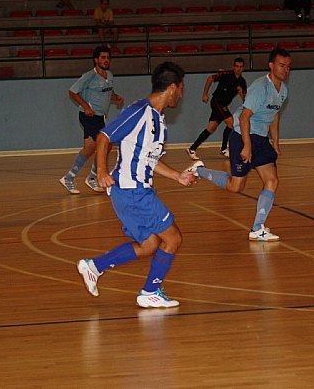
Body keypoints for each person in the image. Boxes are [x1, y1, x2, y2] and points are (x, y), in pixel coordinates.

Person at [76, 61, 199, 308]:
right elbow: (104, 136)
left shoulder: (159, 121)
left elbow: (150, 160)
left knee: (149, 244)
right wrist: (100, 170)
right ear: (173, 87)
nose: (182, 95)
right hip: (133, 191)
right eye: (181, 89)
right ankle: (149, 292)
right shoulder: (139, 111)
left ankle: (94, 267)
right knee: (173, 238)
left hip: (135, 191)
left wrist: (178, 176)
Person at [194, 48, 292, 242]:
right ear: (271, 65)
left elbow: (274, 116)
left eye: (288, 67)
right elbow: (245, 117)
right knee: (235, 186)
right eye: (282, 66)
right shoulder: (260, 86)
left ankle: (257, 228)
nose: (285, 70)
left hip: (261, 140)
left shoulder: (283, 91)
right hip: (242, 135)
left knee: (272, 181)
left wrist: (276, 141)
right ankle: (200, 170)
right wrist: (246, 146)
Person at [60, 45, 124, 194]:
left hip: (100, 117)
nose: (106, 60)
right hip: (88, 116)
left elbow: (108, 92)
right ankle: (90, 177)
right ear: (96, 60)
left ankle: (71, 177)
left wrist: (116, 98)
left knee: (92, 148)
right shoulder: (89, 76)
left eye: (108, 58)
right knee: (104, 145)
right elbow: (73, 92)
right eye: (103, 57)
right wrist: (86, 107)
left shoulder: (109, 75)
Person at [186, 58, 247, 160]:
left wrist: (241, 93)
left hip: (223, 105)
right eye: (236, 66)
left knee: (210, 128)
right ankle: (224, 149)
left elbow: (245, 98)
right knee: (231, 123)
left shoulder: (242, 82)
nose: (238, 69)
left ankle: (192, 149)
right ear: (233, 67)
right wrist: (205, 94)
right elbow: (210, 78)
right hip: (217, 102)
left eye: (240, 67)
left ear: (243, 68)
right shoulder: (226, 74)